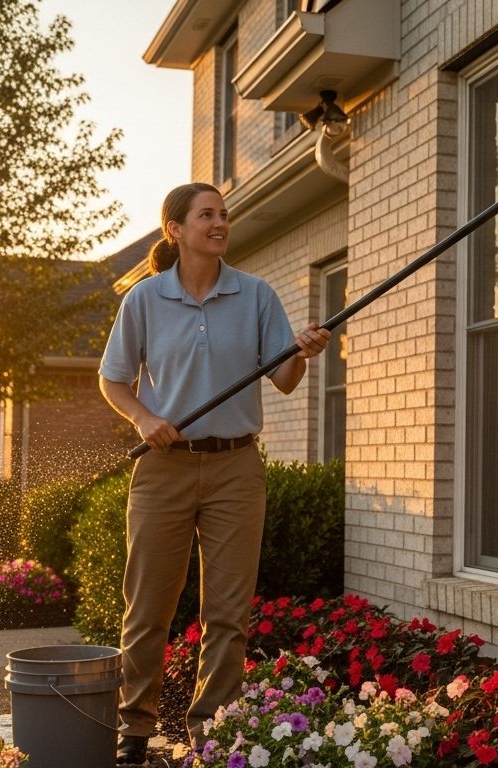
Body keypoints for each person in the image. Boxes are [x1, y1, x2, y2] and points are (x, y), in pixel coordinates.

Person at [98, 182, 330, 765]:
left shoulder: (255, 295)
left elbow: (283, 380)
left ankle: (211, 729)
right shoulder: (145, 300)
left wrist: (300, 352)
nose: (220, 222)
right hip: (163, 469)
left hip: (236, 468)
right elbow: (113, 379)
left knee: (228, 613)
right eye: (207, 215)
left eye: (224, 214)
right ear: (175, 229)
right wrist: (144, 417)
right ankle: (134, 730)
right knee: (148, 605)